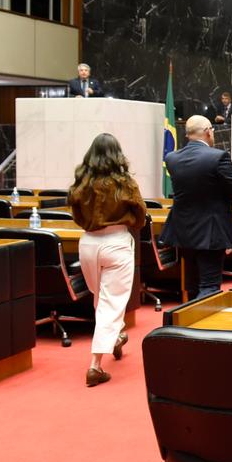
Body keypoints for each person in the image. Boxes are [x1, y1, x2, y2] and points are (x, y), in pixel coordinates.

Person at [68, 133, 147, 387]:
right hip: (116, 242)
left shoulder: (83, 181)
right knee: (110, 303)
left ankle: (115, 337)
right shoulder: (125, 182)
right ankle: (95, 366)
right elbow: (141, 214)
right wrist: (125, 225)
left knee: (101, 298)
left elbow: (74, 210)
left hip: (89, 243)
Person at [160, 115, 232, 298]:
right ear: (208, 131)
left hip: (183, 232)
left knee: (192, 285)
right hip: (211, 231)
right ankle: (202, 325)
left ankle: (187, 324)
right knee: (209, 286)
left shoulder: (172, 159)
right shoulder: (218, 158)